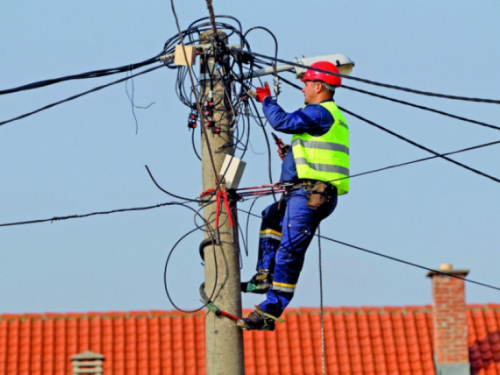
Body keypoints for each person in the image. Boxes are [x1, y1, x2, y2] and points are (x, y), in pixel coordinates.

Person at [237, 61, 350, 331]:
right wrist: (290, 156)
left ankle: (270, 310)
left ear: (319, 86)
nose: (303, 88)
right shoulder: (322, 116)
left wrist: (266, 100)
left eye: (306, 83)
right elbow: (309, 148)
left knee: (289, 251)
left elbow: (282, 121)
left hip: (312, 195)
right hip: (303, 192)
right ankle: (264, 275)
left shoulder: (321, 112)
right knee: (270, 217)